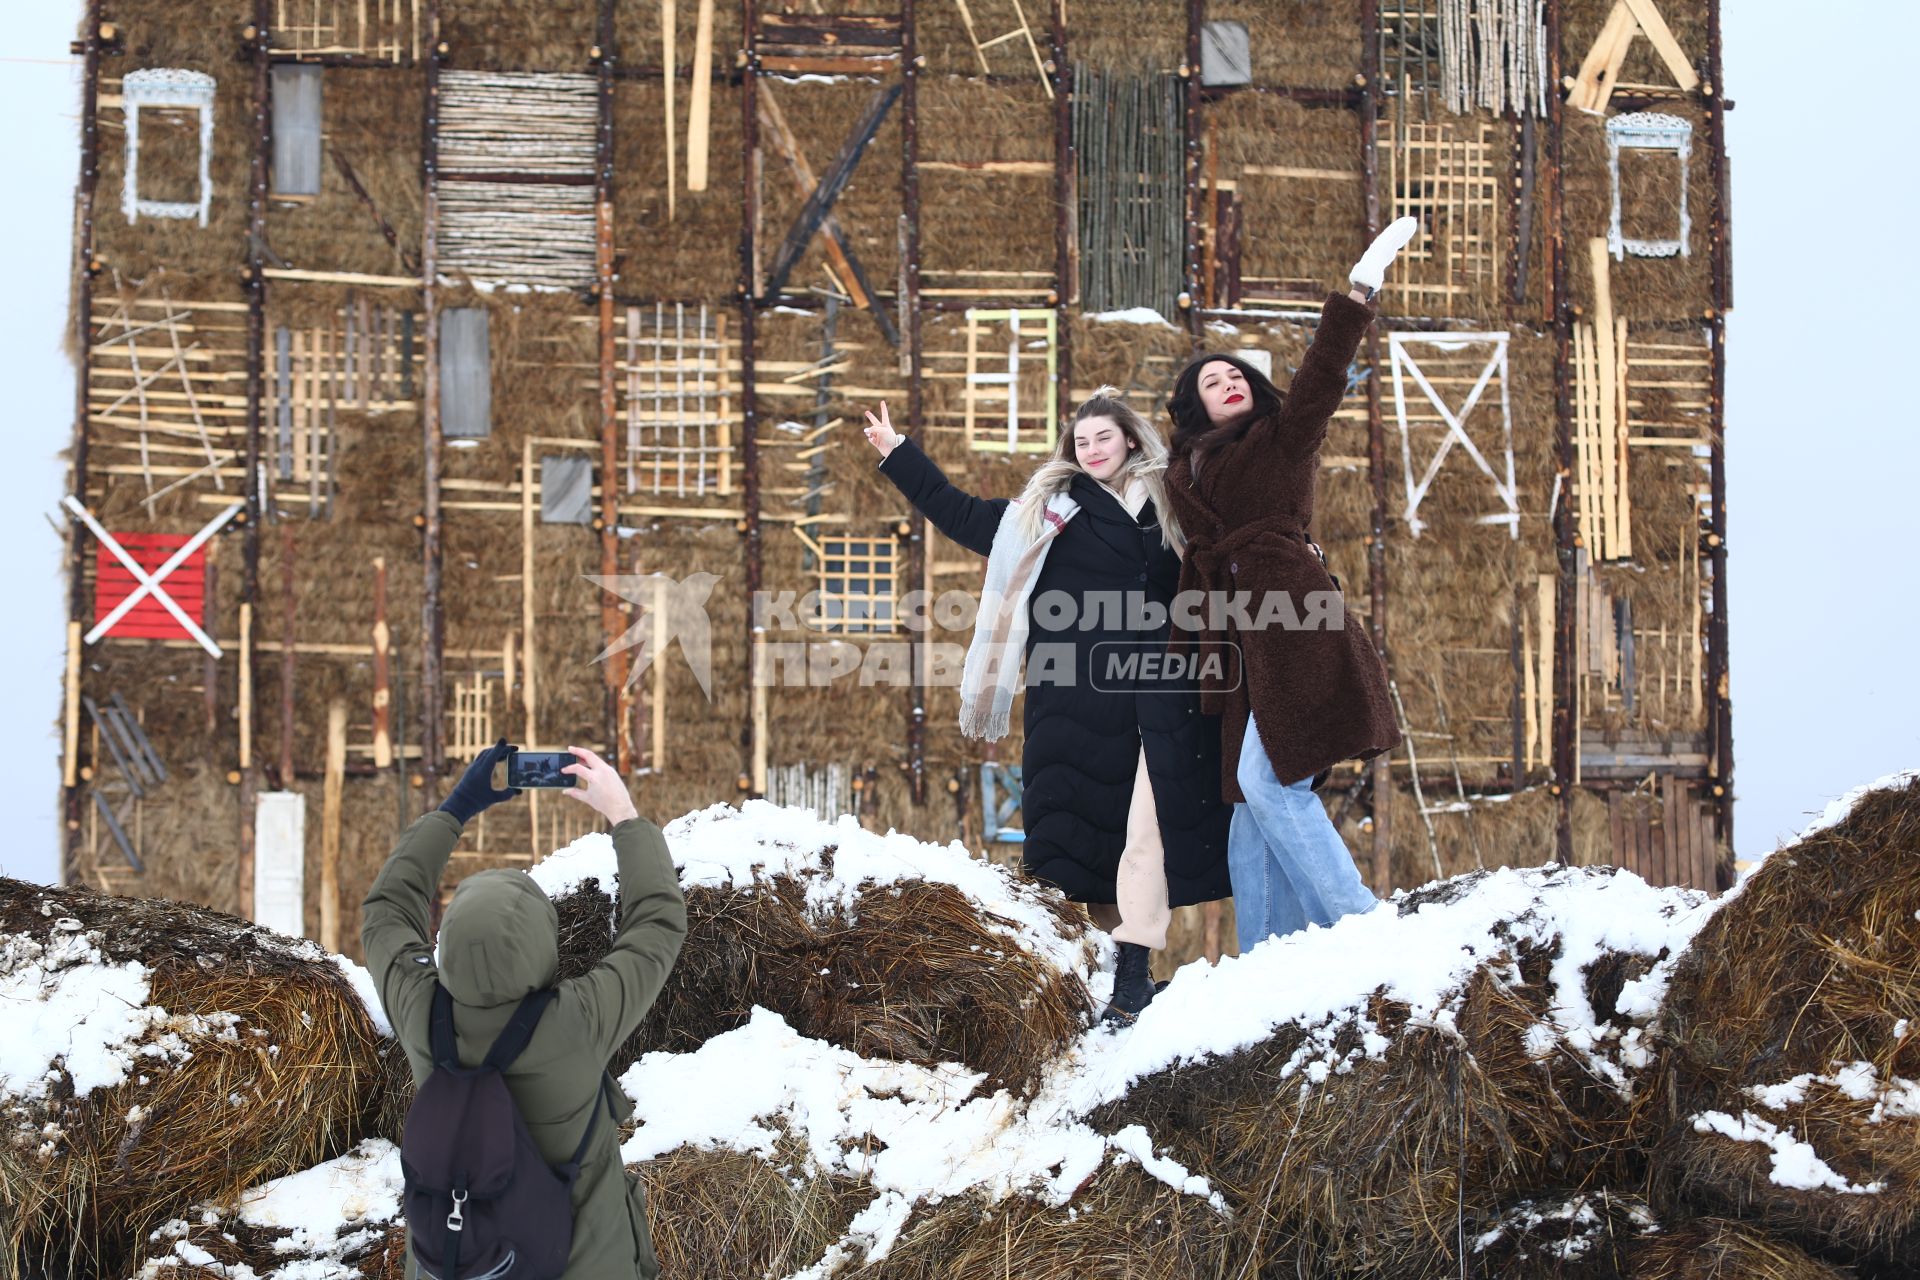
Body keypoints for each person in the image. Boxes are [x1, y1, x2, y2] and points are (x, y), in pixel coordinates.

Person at [862, 389, 1232, 1023]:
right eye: (1081, 442)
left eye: (1103, 439)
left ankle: (1136, 969)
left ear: (1132, 442)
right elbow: (960, 515)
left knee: (1151, 822)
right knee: (1080, 838)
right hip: (1074, 698)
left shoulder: (1177, 505)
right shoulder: (1049, 514)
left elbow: (1230, 552)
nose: (1091, 450)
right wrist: (900, 455)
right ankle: (1104, 974)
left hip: (1165, 690)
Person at [1160, 216, 1420, 955]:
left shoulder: (1284, 437)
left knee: (1271, 785)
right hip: (1244, 649)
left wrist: (1359, 289)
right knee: (1249, 801)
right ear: (1195, 407)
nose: (1228, 382)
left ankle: (1356, 921)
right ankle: (1269, 960)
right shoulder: (1186, 473)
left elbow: (1321, 374)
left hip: (1295, 623)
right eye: (1212, 381)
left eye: (1236, 374)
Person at [362, 740, 687, 1280]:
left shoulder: (422, 1013)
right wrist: (623, 816)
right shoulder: (575, 1022)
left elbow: (386, 912)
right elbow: (656, 927)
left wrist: (456, 809)